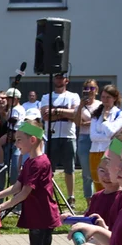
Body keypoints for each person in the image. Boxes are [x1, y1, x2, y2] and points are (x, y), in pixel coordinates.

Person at [39, 72, 80, 208]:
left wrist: (55, 112)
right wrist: (65, 113)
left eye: (61, 77)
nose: (59, 79)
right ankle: (48, 195)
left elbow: (75, 114)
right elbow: (45, 115)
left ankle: (71, 197)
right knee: (50, 169)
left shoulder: (73, 96)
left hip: (69, 136)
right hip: (52, 137)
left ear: (66, 80)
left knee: (70, 168)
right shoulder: (46, 97)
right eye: (56, 77)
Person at [89, 85, 122, 191]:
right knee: (98, 180)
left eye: (108, 97)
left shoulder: (120, 114)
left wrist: (105, 121)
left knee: (111, 180)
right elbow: (93, 136)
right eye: (103, 97)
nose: (105, 100)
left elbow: (111, 132)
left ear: (114, 98)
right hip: (95, 151)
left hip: (111, 152)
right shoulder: (96, 114)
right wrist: (108, 136)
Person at [76, 80, 103, 200]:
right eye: (87, 88)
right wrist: (81, 107)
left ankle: (101, 198)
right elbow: (77, 123)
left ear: (96, 90)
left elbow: (102, 122)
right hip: (84, 138)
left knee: (100, 170)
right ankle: (89, 201)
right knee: (87, 173)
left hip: (98, 139)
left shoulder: (100, 105)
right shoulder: (80, 106)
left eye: (92, 88)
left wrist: (87, 123)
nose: (89, 91)